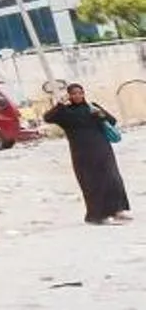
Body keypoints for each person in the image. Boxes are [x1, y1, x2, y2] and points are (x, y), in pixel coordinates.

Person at [44, 84, 131, 225]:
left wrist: (101, 116)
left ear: (83, 93)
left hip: (103, 149)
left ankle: (117, 210)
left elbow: (112, 121)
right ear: (69, 96)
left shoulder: (92, 107)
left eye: (79, 92)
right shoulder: (65, 113)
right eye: (73, 93)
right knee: (92, 183)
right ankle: (97, 216)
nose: (77, 96)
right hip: (82, 153)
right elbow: (48, 118)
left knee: (112, 179)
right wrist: (60, 104)